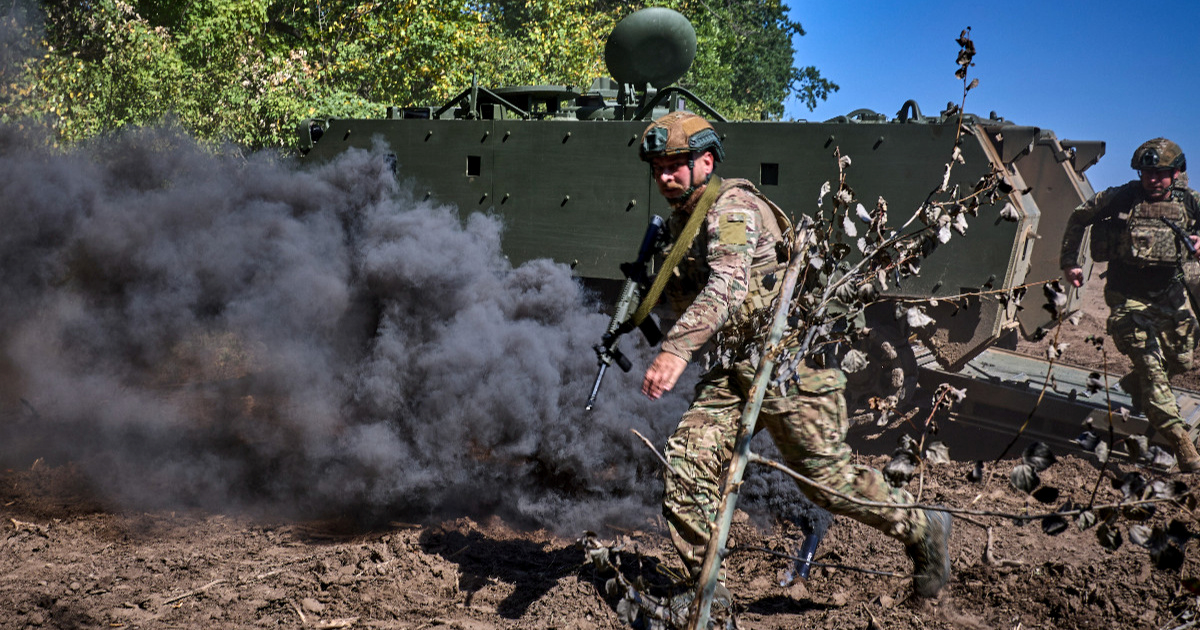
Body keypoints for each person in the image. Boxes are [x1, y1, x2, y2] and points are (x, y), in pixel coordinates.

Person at [636, 111, 951, 598]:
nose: (663, 176)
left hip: (785, 366)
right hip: (734, 373)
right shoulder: (684, 221)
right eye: (657, 167)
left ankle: (921, 526)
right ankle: (709, 601)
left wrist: (676, 350)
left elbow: (730, 283)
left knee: (826, 482)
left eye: (674, 164)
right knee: (685, 464)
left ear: (706, 160)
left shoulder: (733, 208)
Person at [1060, 137, 1200, 471]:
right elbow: (1079, 217)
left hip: (1170, 295)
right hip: (1126, 297)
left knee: (1181, 360)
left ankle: (1135, 384)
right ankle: (1179, 439)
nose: (1152, 179)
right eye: (1146, 173)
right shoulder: (1120, 197)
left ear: (1176, 173)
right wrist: (1070, 261)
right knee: (1152, 369)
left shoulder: (1190, 202)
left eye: (1160, 173)